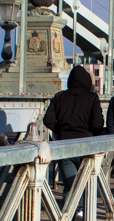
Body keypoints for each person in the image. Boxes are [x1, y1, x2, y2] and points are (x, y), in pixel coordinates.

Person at [43, 65, 104, 197]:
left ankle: (70, 215)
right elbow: (98, 123)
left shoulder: (59, 97)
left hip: (65, 146)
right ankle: (83, 213)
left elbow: (48, 120)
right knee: (86, 185)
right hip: (86, 147)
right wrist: (90, 132)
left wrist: (62, 129)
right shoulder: (92, 98)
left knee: (70, 187)